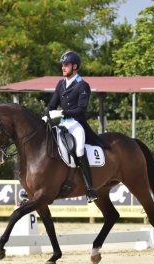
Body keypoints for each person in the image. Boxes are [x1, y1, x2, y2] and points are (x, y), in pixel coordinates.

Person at [42, 51, 105, 203]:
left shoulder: (82, 85)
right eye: (62, 65)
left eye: (66, 65)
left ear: (74, 66)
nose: (63, 68)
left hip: (76, 123)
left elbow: (81, 109)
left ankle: (90, 188)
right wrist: (47, 113)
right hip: (61, 123)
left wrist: (62, 112)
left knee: (79, 149)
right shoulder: (61, 83)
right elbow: (52, 103)